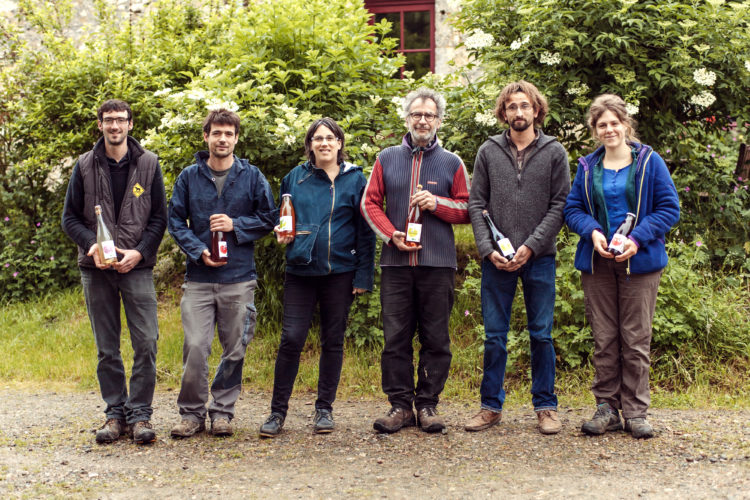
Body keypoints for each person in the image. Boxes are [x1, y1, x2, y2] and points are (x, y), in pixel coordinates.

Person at [564, 94, 679, 439]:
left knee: (636, 338)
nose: (609, 129)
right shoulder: (587, 166)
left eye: (615, 123)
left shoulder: (649, 162)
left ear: (626, 125)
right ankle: (607, 409)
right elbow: (573, 210)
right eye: (602, 125)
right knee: (604, 338)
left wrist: (636, 239)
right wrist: (593, 232)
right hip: (598, 263)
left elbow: (669, 209)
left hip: (639, 264)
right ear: (595, 130)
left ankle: (636, 412)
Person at [361, 88, 471, 434]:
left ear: (439, 120)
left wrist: (437, 204)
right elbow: (369, 203)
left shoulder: (452, 162)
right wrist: (391, 233)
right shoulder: (387, 157)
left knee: (436, 338)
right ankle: (399, 406)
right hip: (395, 263)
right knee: (396, 338)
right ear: (406, 118)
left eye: (429, 115)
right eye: (416, 114)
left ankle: (427, 405)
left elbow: (468, 209)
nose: (422, 120)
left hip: (437, 264)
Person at [258, 118, 376, 437]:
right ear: (309, 145)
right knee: (291, 339)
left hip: (341, 272)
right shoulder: (294, 178)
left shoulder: (356, 179)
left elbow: (366, 232)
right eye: (317, 138)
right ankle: (277, 412)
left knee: (333, 341)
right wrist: (282, 235)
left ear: (340, 143)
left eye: (330, 138)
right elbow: (283, 221)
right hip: (301, 271)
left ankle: (324, 409)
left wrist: (363, 275)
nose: (324, 143)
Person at [465, 81, 570, 435]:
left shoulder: (555, 152)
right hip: (496, 261)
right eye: (512, 107)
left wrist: (532, 246)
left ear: (537, 110)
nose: (519, 112)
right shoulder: (488, 151)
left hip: (539, 258)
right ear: (503, 112)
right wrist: (487, 250)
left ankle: (545, 406)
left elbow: (560, 205)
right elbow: (476, 203)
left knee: (541, 334)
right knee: (495, 336)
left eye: (525, 106)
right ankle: (490, 406)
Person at [62, 99, 167, 444]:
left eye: (120, 120)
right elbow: (69, 219)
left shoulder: (149, 164)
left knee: (147, 342)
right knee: (107, 348)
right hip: (97, 269)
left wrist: (140, 252)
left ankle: (140, 415)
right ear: (100, 125)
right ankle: (114, 414)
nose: (115, 126)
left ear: (130, 125)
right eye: (108, 120)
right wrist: (90, 244)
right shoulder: (84, 165)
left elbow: (158, 220)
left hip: (136, 267)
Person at [168, 109, 276, 438]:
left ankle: (222, 412)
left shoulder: (252, 176)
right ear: (206, 137)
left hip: (239, 278)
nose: (223, 139)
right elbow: (174, 221)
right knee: (196, 347)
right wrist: (198, 250)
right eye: (217, 133)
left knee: (235, 348)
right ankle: (191, 413)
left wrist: (236, 225)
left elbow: (270, 218)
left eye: (229, 134)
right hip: (199, 280)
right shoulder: (189, 176)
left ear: (236, 138)